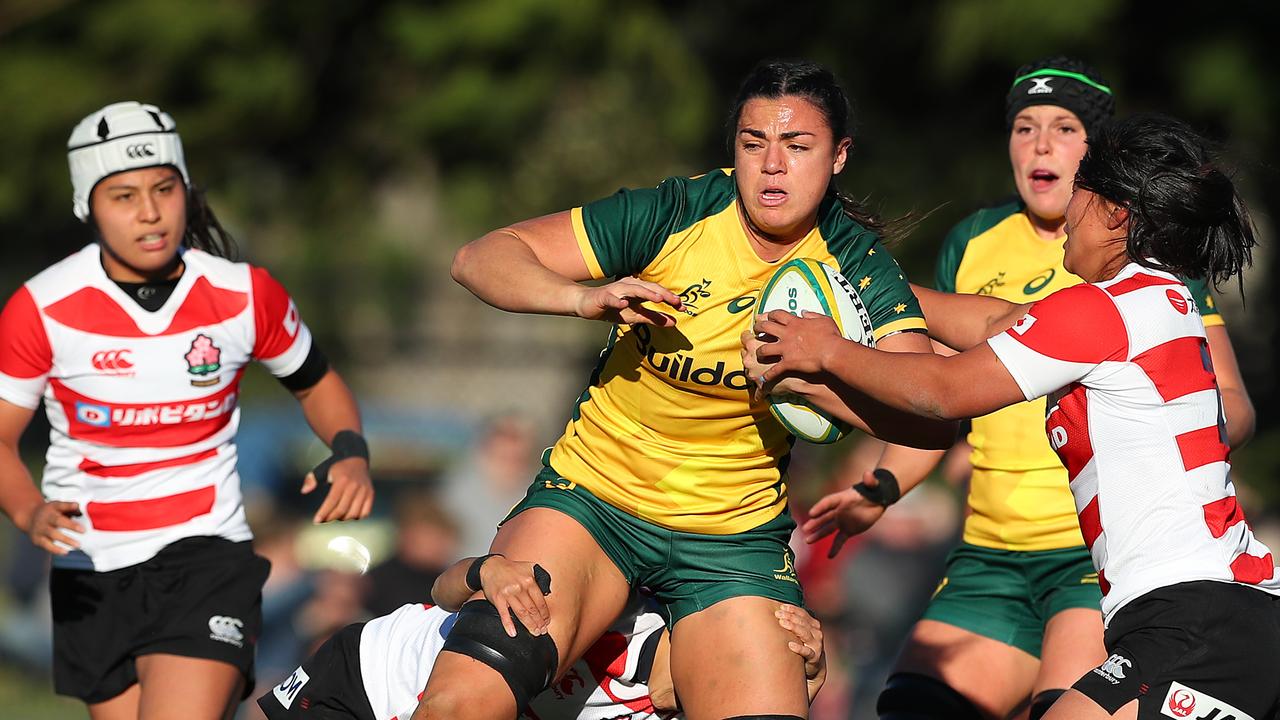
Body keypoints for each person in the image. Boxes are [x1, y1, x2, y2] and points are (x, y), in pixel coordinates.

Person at [427, 59, 955, 720]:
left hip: (731, 540)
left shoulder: (857, 265)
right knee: (461, 703)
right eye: (754, 143)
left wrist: (818, 374)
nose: (772, 166)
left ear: (839, 156)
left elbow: (928, 414)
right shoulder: (676, 212)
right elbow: (479, 258)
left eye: (797, 146)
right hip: (593, 500)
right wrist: (583, 298)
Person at [750, 113, 1279, 719]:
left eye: (1080, 190)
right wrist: (862, 282)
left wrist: (829, 351)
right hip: (1218, 613)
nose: (1066, 215)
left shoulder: (1101, 312)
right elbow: (997, 321)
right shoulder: (1158, 298)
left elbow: (943, 392)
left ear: (1114, 213)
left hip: (1196, 623)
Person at [0, 101, 374, 720]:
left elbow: (317, 383)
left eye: (164, 189)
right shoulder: (41, 306)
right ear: (88, 205)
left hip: (207, 556)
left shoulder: (243, 294)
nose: (149, 212)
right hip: (90, 567)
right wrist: (27, 509)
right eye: (123, 196)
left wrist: (351, 451)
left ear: (186, 191)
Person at [257, 555, 828, 720]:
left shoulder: (673, 703)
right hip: (372, 674)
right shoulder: (622, 616)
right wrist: (487, 570)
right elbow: (444, 589)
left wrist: (810, 672)